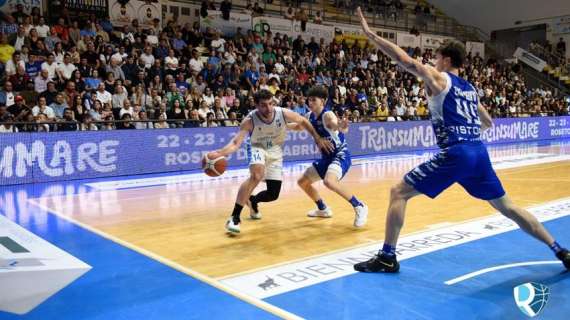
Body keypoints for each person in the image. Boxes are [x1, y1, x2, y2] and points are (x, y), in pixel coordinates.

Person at [353, 7, 570, 273]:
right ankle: (560, 249)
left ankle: (387, 257)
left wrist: (371, 35)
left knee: (399, 192)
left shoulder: (439, 79)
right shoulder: (470, 89)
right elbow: (488, 122)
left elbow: (405, 60)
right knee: (509, 207)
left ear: (444, 60)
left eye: (435, 58)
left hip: (458, 153)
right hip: (479, 152)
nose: (433, 62)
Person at [209, 90, 334, 234]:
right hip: (257, 147)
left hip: (275, 151)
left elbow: (303, 121)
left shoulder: (282, 113)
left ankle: (252, 201)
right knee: (256, 175)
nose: (268, 108)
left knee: (273, 194)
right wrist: (220, 153)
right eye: (263, 105)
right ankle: (234, 217)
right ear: (256, 105)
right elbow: (236, 143)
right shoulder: (249, 120)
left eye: (270, 104)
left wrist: (317, 138)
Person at [290, 86, 368, 227]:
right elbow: (298, 127)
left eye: (314, 100)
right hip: (327, 158)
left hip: (340, 155)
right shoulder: (309, 116)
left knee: (329, 181)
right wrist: (280, 125)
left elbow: (335, 124)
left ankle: (359, 206)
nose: (311, 103)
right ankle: (323, 209)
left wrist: (341, 126)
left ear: (323, 102)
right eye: (309, 100)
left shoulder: (327, 115)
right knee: (303, 182)